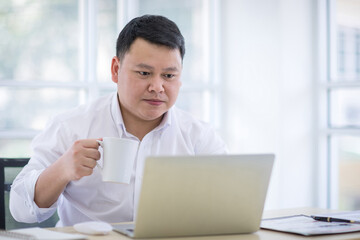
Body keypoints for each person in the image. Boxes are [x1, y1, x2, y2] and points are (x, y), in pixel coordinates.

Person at [9, 15, 227, 227]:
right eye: (144, 73)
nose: (157, 87)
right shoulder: (71, 126)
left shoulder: (199, 136)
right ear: (116, 70)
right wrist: (62, 170)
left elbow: (231, 202)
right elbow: (19, 209)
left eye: (169, 76)